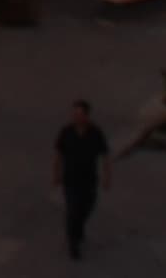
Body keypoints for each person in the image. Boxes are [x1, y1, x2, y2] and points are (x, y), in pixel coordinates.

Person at [52, 99, 111, 261]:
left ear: (86, 115)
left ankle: (78, 227)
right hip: (70, 179)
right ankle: (73, 243)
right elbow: (58, 154)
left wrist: (107, 177)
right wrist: (56, 174)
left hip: (89, 179)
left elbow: (105, 155)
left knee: (88, 206)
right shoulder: (66, 132)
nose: (76, 117)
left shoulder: (95, 132)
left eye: (79, 114)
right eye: (74, 113)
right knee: (72, 209)